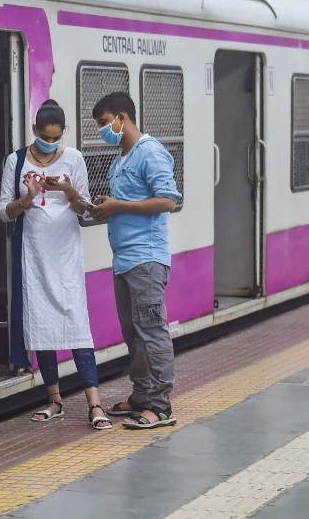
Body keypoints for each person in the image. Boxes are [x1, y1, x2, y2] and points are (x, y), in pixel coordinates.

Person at [0, 99, 112, 431]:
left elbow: (85, 208)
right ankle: (54, 399)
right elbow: (3, 212)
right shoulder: (15, 161)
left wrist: (68, 189)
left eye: (57, 137)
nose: (51, 142)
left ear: (63, 134)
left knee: (77, 325)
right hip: (32, 253)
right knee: (42, 327)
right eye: (46, 136)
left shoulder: (74, 158)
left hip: (66, 254)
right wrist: (27, 198)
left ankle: (95, 404)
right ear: (34, 131)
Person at [89, 91, 182, 430]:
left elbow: (168, 201)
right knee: (135, 333)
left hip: (146, 258)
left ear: (121, 119)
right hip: (125, 259)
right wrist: (104, 207)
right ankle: (142, 395)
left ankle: (160, 406)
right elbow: (125, 201)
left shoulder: (149, 152)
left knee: (152, 331)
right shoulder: (121, 157)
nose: (103, 130)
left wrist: (120, 207)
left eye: (104, 123)